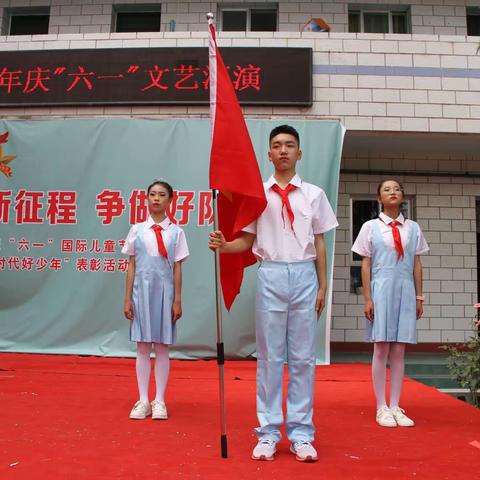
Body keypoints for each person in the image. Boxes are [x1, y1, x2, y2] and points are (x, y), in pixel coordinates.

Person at [209, 125, 338, 462]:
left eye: (289, 145)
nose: (283, 150)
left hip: (305, 274)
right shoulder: (258, 196)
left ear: (299, 153)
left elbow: (320, 242)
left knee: (302, 358)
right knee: (269, 357)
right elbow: (246, 243)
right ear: (268, 154)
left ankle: (301, 433)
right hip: (272, 274)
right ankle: (267, 432)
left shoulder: (314, 195)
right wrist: (224, 246)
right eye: (277, 146)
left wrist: (323, 285)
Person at [351, 179, 429, 428]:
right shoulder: (370, 227)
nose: (392, 192)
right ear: (379, 199)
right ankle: (381, 407)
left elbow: (416, 264)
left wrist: (419, 296)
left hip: (405, 289)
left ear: (402, 196)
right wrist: (367, 298)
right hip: (381, 289)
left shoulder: (413, 228)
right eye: (387, 189)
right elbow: (366, 263)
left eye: (396, 189)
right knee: (381, 347)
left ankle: (395, 405)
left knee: (399, 349)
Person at [122, 180, 189, 420]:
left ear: (170, 201)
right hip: (141, 292)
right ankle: (142, 400)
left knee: (162, 346)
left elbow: (178, 267)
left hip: (165, 294)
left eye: (162, 195)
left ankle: (159, 399)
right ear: (146, 199)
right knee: (142, 345)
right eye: (152, 194)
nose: (156, 199)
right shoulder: (137, 230)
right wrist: (127, 298)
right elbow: (131, 265)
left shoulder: (176, 232)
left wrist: (177, 299)